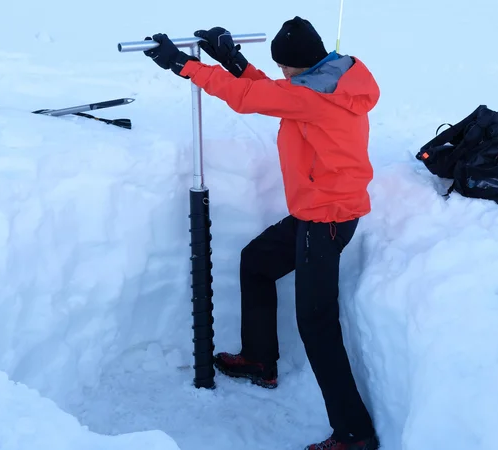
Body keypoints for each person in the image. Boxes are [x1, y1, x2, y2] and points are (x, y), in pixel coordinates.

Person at [143, 16, 381, 450]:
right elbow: (274, 93)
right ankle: (259, 360)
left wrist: (184, 65)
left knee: (317, 325)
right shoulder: (333, 77)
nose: (284, 75)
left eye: (285, 68)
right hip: (322, 212)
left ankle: (355, 433)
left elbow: (252, 97)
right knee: (256, 262)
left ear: (298, 65)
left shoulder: (315, 95)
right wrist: (232, 58)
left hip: (324, 221)